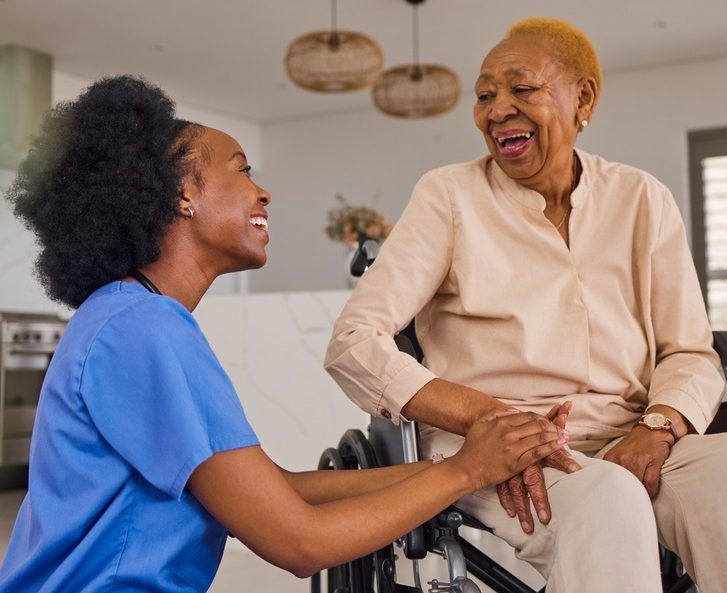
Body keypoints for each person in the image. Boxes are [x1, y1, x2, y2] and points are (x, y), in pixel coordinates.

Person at [0, 75, 572, 593]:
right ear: (183, 192)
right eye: (242, 168)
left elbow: (277, 488)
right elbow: (300, 542)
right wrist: (466, 470)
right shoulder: (142, 329)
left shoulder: (130, 316)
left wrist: (451, 474)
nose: (263, 193)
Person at [325, 17, 727, 593]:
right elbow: (355, 342)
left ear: (583, 99)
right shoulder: (448, 196)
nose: (497, 110)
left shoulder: (641, 198)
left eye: (521, 89)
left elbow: (690, 351)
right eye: (484, 95)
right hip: (495, 449)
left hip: (631, 432)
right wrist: (488, 420)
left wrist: (660, 425)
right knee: (607, 495)